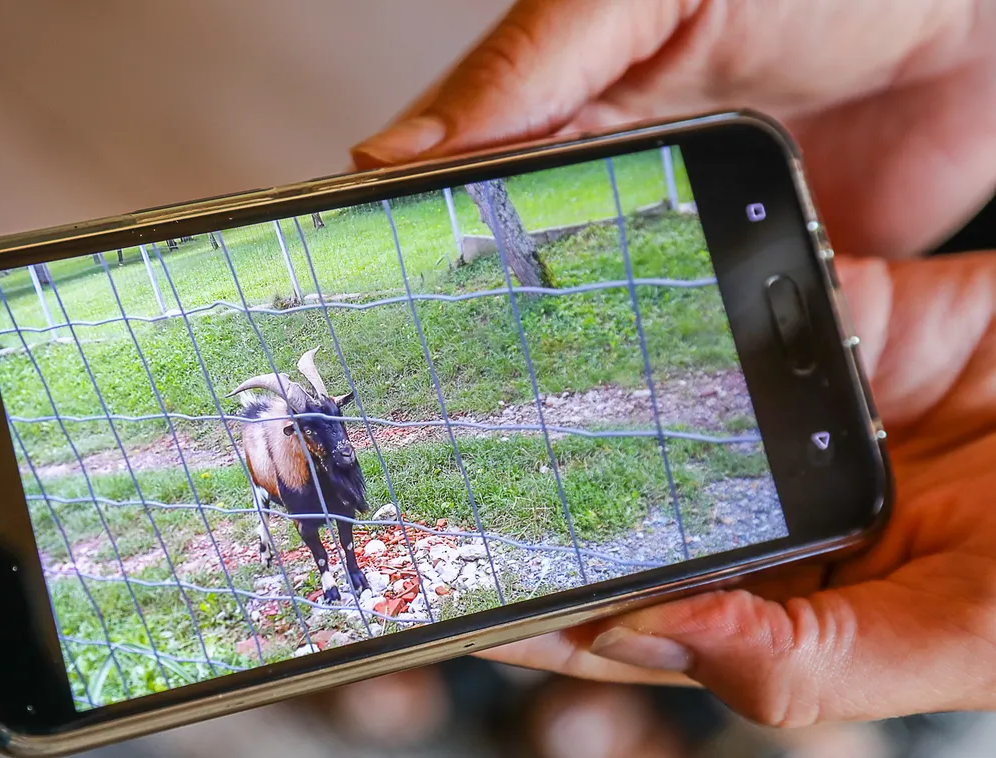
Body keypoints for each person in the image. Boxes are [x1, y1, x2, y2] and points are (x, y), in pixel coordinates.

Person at [341, 0, 996, 735]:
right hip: (925, 195)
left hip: (922, 244)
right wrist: (969, 28)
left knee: (719, 598)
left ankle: (587, 707)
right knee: (696, 598)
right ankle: (480, 688)